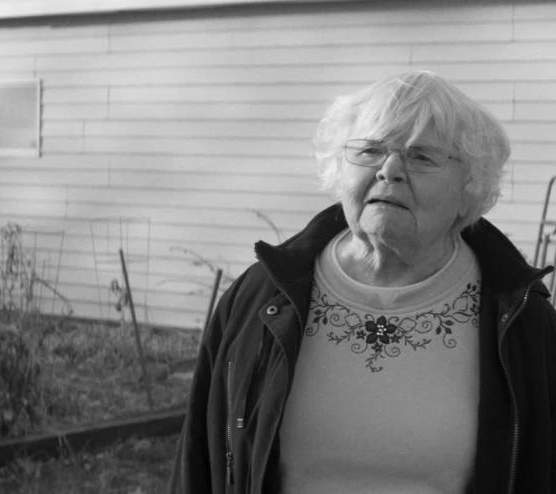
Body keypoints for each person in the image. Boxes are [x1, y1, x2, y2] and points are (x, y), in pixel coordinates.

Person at [170, 71, 556, 494]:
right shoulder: (261, 296)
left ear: (471, 188)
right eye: (371, 150)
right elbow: (200, 459)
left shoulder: (521, 318)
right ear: (340, 169)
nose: (389, 171)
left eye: (422, 157)